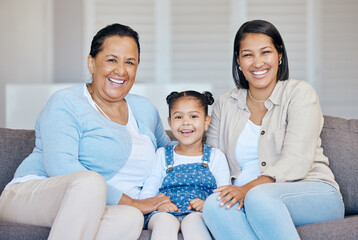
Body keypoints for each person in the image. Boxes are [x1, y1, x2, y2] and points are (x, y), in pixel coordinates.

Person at [0, 23, 172, 240]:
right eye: (111, 60)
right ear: (92, 63)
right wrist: (135, 203)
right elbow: (61, 167)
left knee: (130, 218)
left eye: (130, 62)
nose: (120, 70)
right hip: (30, 195)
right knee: (91, 183)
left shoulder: (145, 109)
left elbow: (172, 153)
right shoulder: (67, 102)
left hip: (95, 207)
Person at [202, 20, 344, 240]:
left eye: (265, 52)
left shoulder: (300, 93)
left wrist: (247, 189)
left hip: (311, 192)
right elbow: (213, 158)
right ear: (238, 61)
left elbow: (297, 160)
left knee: (259, 198)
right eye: (248, 55)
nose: (257, 63)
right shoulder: (225, 103)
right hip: (249, 197)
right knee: (214, 205)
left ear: (279, 55)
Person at [139, 91, 230, 240]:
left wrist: (207, 205)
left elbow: (223, 192)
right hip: (163, 212)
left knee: (194, 222)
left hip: (199, 213)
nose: (185, 122)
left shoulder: (215, 156)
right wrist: (157, 205)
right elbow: (150, 186)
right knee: (164, 222)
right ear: (170, 122)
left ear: (206, 121)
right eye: (179, 117)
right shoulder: (162, 154)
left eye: (193, 116)